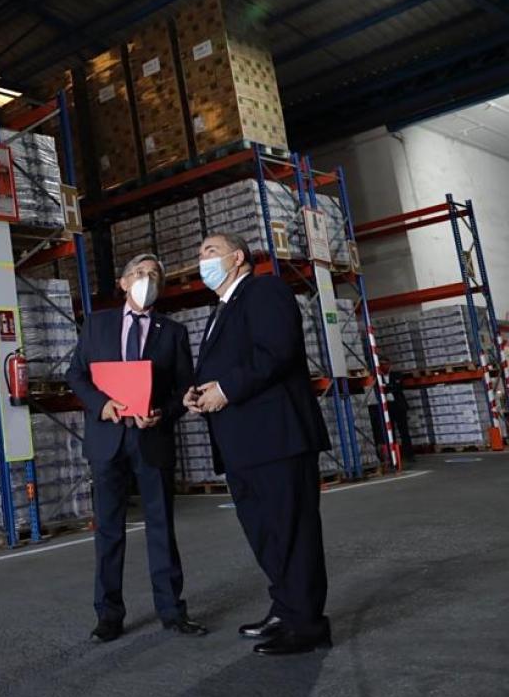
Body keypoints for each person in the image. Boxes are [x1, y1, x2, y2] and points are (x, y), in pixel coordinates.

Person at [184, 232, 333, 656]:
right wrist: (198, 393)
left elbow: (276, 351)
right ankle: (285, 607)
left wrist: (227, 389)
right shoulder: (221, 310)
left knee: (292, 531)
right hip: (242, 444)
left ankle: (308, 624)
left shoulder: (264, 290)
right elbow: (229, 364)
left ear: (237, 257)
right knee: (265, 533)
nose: (202, 260)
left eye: (209, 251)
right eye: (200, 253)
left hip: (277, 438)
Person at [66, 253, 206, 642]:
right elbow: (75, 375)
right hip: (107, 439)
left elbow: (184, 389)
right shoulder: (97, 325)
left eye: (155, 274)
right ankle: (108, 615)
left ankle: (171, 611)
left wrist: (165, 412)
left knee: (161, 527)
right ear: (124, 283)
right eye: (140, 274)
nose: (148, 279)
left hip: (152, 439)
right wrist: (102, 405)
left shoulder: (173, 332)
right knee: (109, 531)